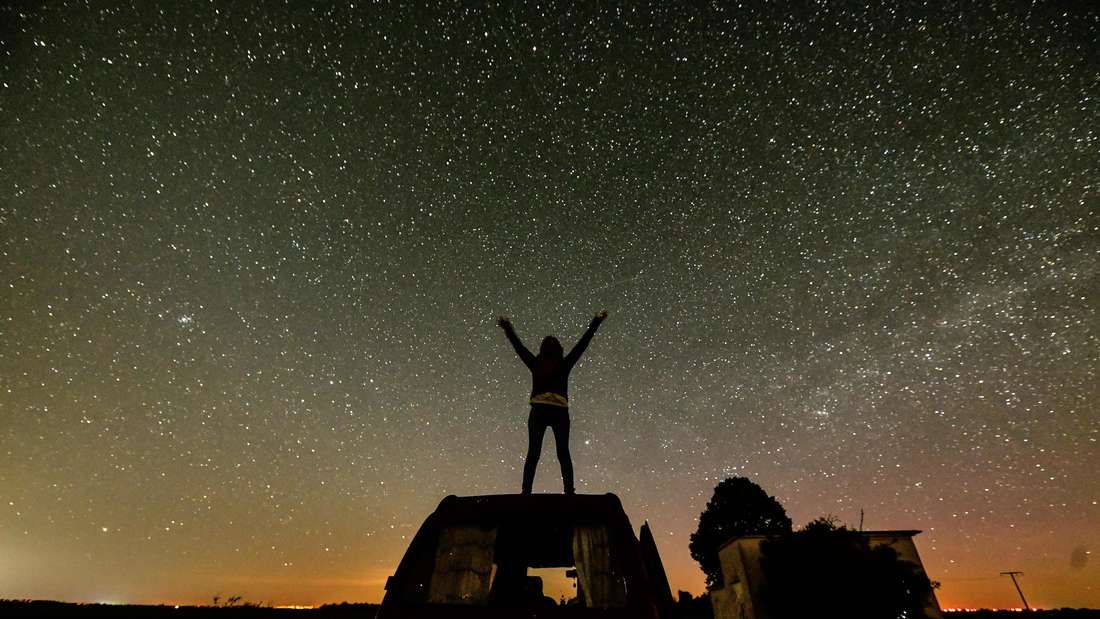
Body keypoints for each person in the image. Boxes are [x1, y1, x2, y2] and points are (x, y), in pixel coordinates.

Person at [497, 311, 608, 494]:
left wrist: (508, 329)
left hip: (543, 413)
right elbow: (582, 345)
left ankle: (528, 491)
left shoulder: (538, 364)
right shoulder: (560, 364)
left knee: (538, 453)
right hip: (557, 413)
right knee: (559, 453)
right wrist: (595, 322)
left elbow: (519, 348)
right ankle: (567, 491)